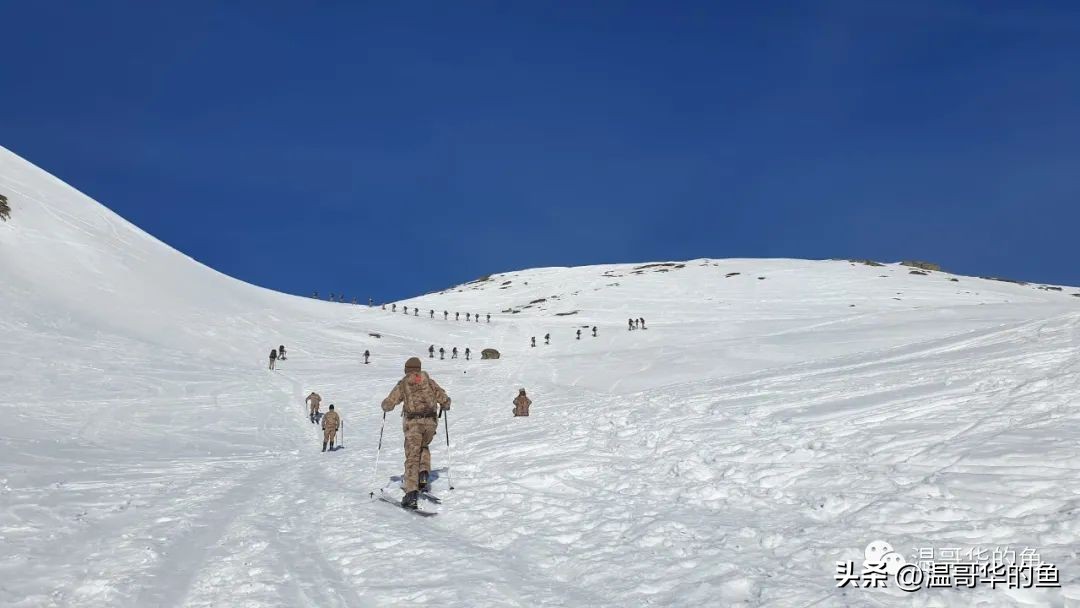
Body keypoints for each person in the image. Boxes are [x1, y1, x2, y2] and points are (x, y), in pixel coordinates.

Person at [381, 358, 451, 508]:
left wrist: (385, 406)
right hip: (431, 423)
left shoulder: (404, 383)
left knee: (412, 455)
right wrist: (445, 404)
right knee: (423, 446)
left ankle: (411, 492)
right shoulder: (428, 380)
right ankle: (423, 474)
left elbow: (389, 403)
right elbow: (444, 398)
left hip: (413, 424)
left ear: (407, 369)